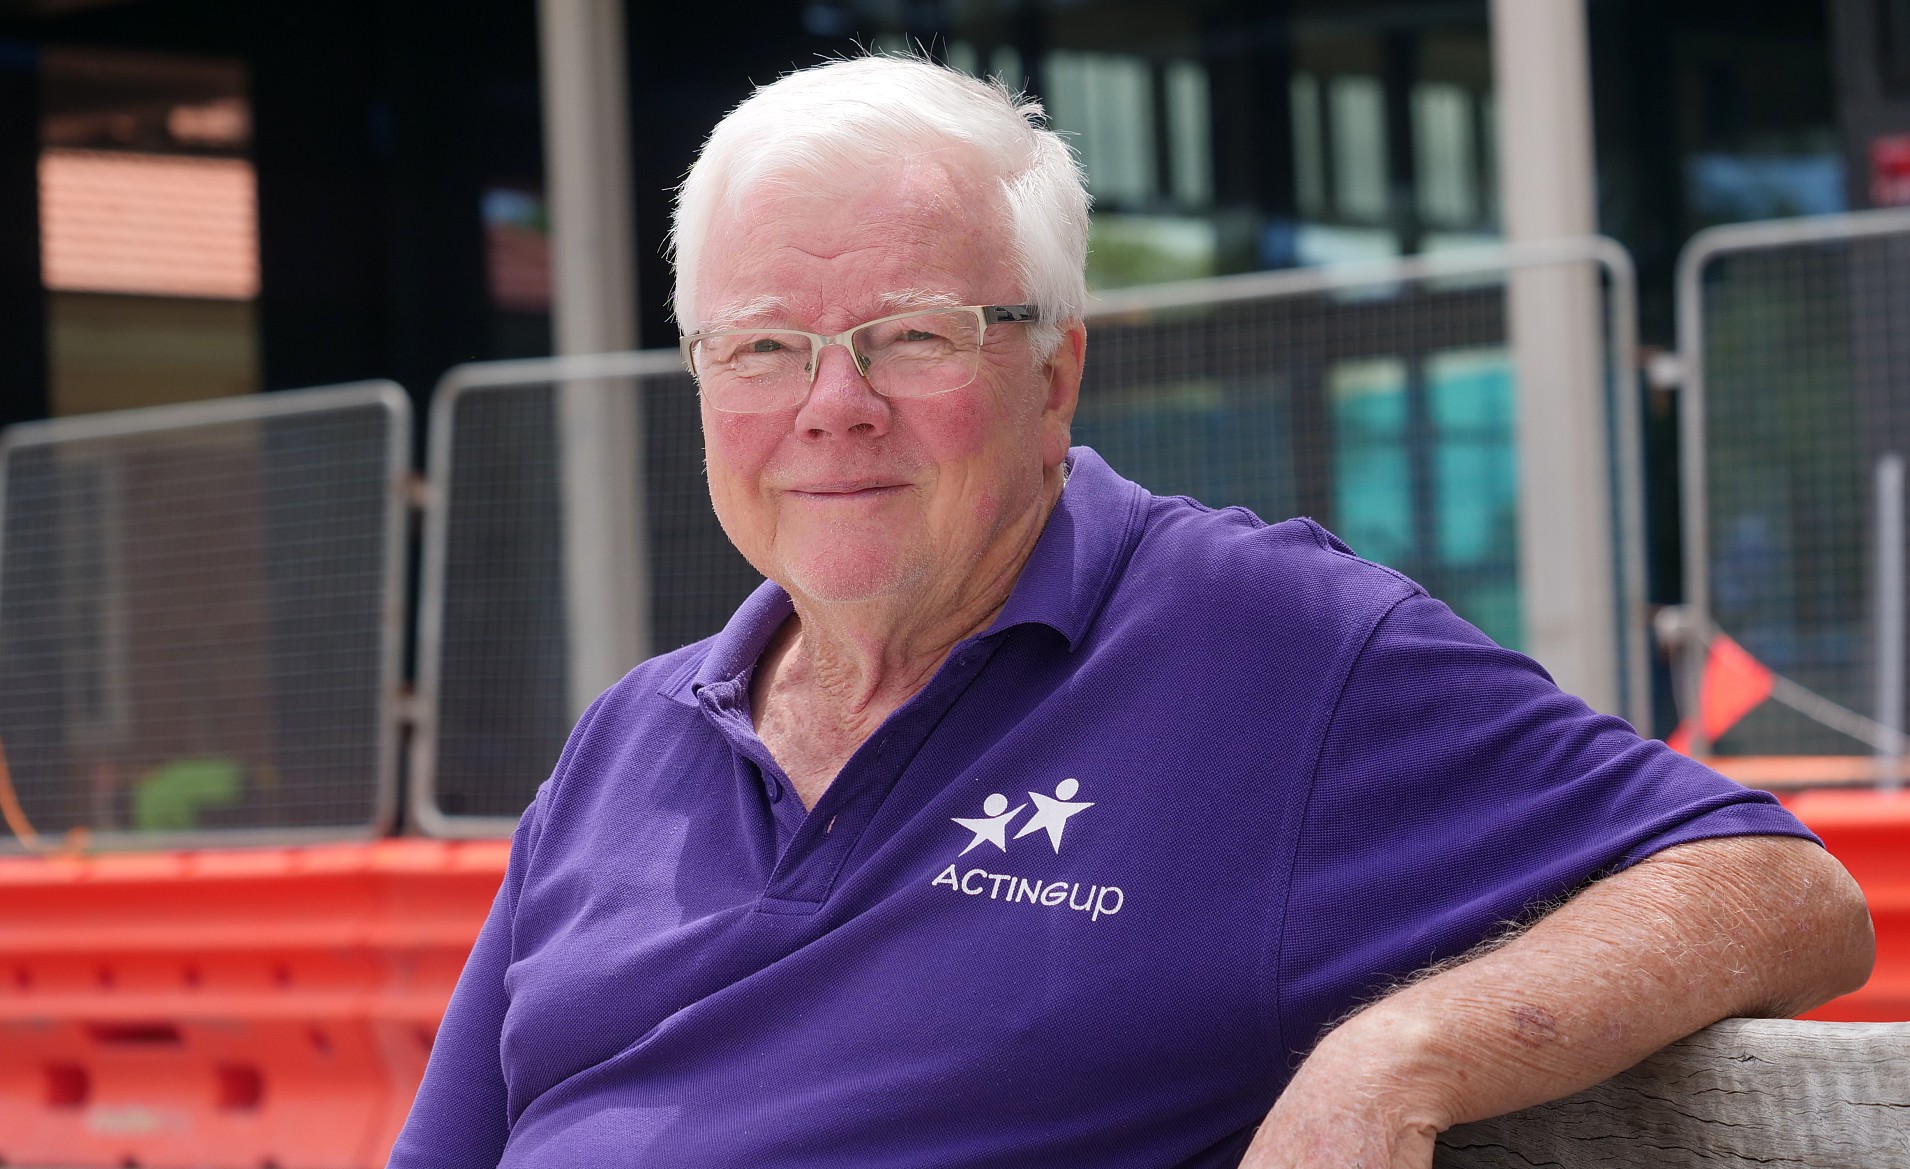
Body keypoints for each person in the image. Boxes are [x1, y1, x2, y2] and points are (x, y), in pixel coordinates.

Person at [389, 56, 1873, 1169]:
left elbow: (1775, 889)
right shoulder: (630, 738)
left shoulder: (1263, 644)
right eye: (762, 347)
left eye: (913, 336)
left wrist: (1401, 1053)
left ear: (1055, 373)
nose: (832, 406)